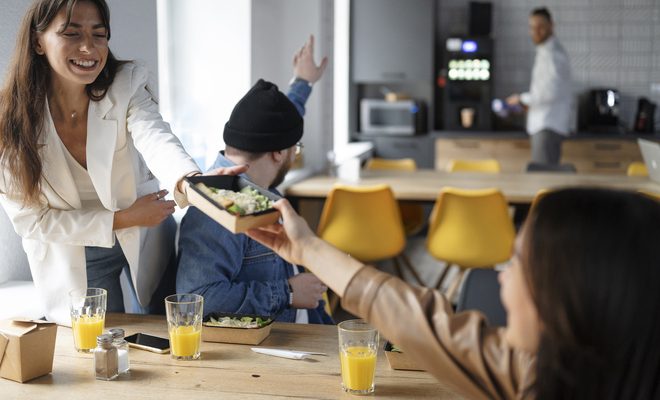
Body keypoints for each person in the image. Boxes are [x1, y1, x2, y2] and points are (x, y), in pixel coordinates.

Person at [247, 188, 660, 399]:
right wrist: (303, 249)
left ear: (576, 297)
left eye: (517, 263)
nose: (502, 279)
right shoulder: (534, 372)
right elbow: (418, 320)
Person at [0, 0, 244, 325]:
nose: (88, 47)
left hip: (145, 233)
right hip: (76, 249)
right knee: (105, 342)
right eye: (71, 34)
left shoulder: (125, 84)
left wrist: (190, 181)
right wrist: (123, 218)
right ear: (38, 41)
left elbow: (155, 136)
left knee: (168, 327)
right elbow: (32, 221)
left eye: (99, 35)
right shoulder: (11, 123)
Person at [176, 36, 332, 325]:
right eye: (293, 150)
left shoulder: (254, 166)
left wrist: (303, 81)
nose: (294, 154)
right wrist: (285, 292)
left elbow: (283, 121)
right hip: (280, 350)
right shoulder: (219, 207)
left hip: (308, 325)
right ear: (278, 153)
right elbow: (194, 298)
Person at [506, 7, 573, 166]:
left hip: (547, 127)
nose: (536, 31)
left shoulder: (553, 55)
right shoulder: (545, 52)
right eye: (532, 27)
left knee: (542, 181)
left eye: (540, 26)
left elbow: (548, 93)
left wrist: (520, 99)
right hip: (544, 125)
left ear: (551, 26)